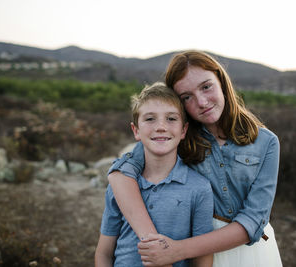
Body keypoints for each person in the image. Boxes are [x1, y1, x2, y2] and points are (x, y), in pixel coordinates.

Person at [107, 51, 283, 267]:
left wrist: (174, 251)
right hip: (195, 243)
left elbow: (254, 219)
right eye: (186, 97)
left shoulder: (266, 142)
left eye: (206, 86)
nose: (201, 102)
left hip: (246, 251)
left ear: (221, 81)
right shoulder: (179, 135)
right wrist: (155, 242)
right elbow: (121, 172)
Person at [95, 82, 214, 267]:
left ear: (183, 130)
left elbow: (203, 257)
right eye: (150, 119)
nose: (160, 127)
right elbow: (104, 253)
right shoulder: (121, 185)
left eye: (171, 119)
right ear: (136, 130)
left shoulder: (199, 188)